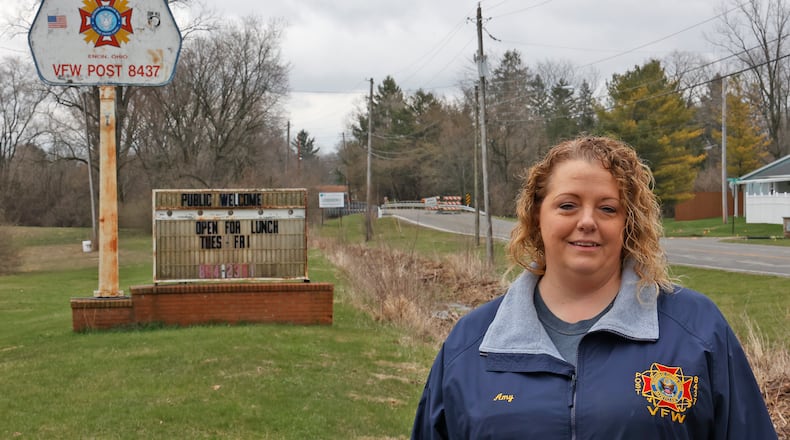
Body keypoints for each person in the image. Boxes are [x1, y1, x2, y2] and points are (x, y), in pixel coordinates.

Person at [411, 136, 777, 439]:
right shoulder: (471, 346)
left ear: (628, 223)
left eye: (607, 209)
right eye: (568, 205)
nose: (587, 222)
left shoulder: (697, 331)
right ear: (537, 216)